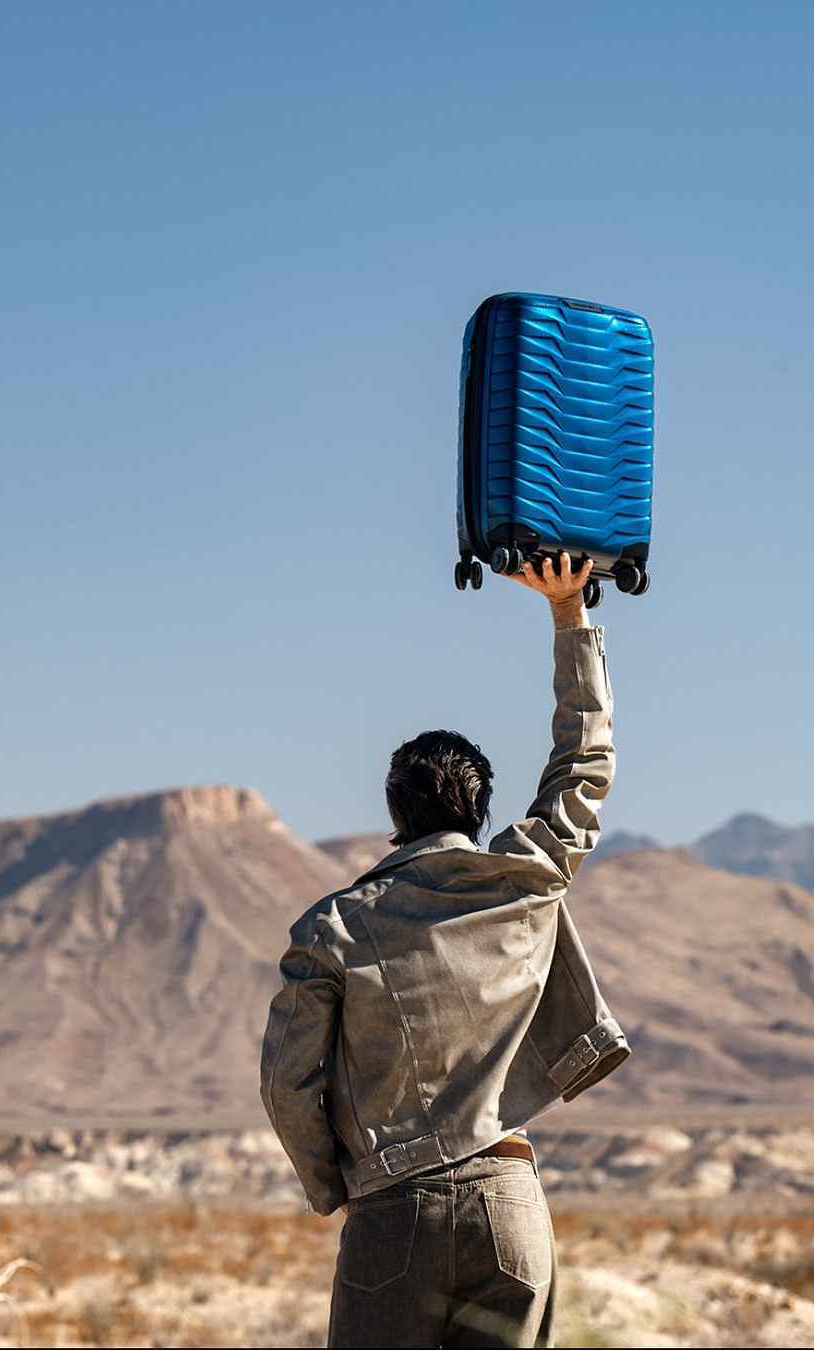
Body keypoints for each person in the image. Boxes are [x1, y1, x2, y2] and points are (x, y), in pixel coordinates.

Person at [260, 551, 630, 1349]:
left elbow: (288, 1081)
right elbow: (585, 762)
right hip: (511, 1208)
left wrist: (336, 1186)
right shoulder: (525, 879)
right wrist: (568, 612)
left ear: (395, 814)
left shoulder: (334, 929)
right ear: (480, 807)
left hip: (394, 1212)